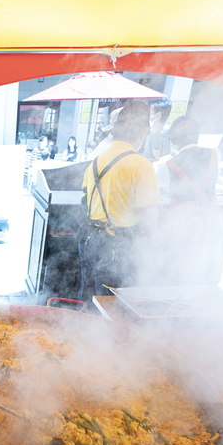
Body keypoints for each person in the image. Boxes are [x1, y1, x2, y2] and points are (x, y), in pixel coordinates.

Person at [78, 101, 159, 299]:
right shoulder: (141, 165)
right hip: (116, 246)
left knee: (90, 295)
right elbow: (148, 214)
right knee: (113, 301)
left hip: (90, 239)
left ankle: (83, 327)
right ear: (143, 133)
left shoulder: (96, 161)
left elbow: (86, 199)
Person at [155, 116, 223, 285]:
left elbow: (156, 185)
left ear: (173, 140)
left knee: (178, 260)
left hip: (181, 219)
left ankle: (177, 294)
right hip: (210, 215)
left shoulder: (167, 165)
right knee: (205, 256)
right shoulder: (215, 153)